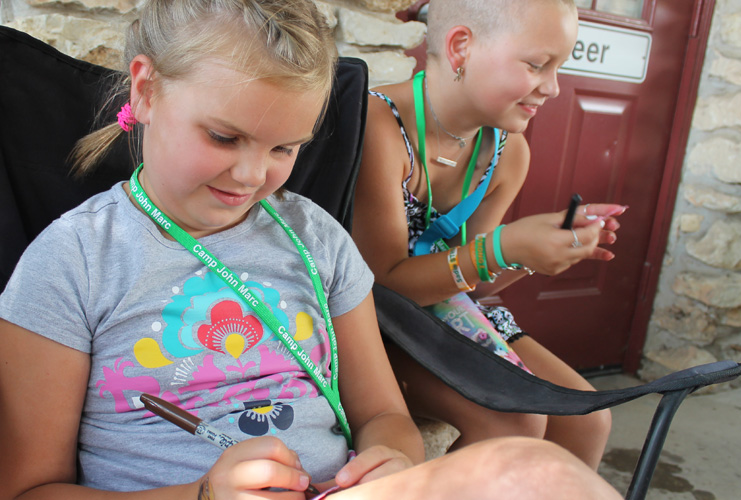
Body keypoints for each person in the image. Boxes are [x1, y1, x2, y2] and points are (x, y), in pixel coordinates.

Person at [0, 0, 624, 499]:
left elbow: (384, 414)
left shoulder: (316, 237)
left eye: (284, 149)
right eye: (225, 136)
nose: (251, 177)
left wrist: (393, 458)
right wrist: (201, 495)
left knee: (545, 477)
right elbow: (28, 488)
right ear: (146, 91)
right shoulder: (73, 260)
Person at [352, 0, 627, 470]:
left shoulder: (507, 152)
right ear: (461, 47)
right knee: (513, 423)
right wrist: (503, 247)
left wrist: (533, 254)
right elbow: (384, 287)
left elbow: (471, 284)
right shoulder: (378, 125)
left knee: (587, 420)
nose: (554, 88)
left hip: (443, 315)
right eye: (538, 65)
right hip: (370, 325)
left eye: (560, 67)